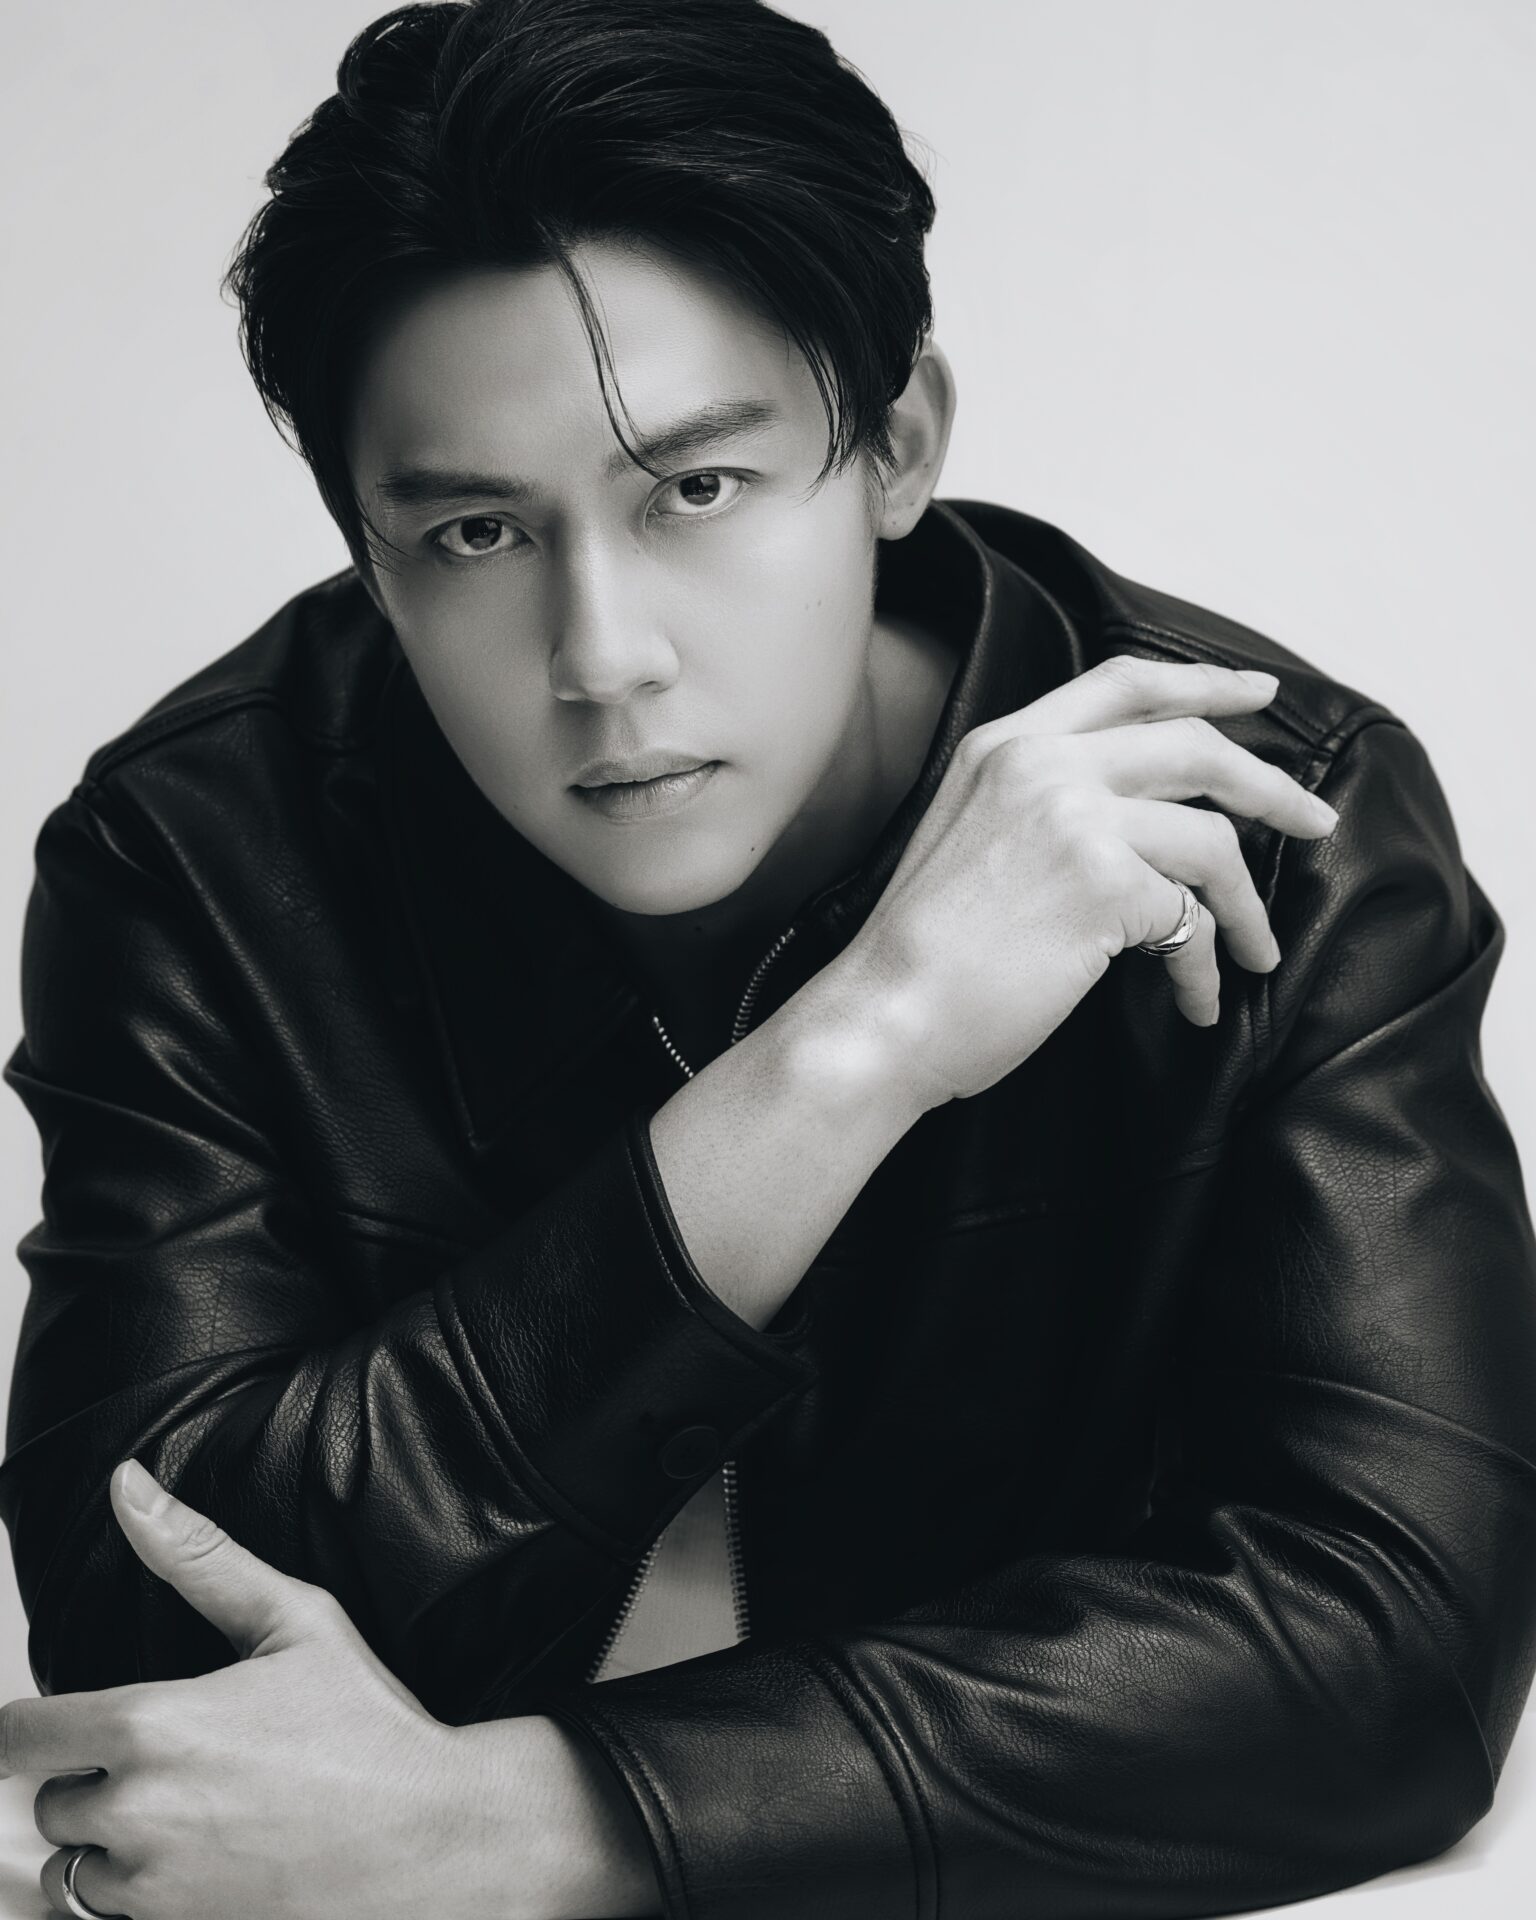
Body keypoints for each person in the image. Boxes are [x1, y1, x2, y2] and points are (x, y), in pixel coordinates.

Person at [2, 0, 1534, 1915]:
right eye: (474, 533)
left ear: (894, 446)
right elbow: (146, 1667)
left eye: (697, 489)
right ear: (366, 554)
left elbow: (1399, 1641)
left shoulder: (1258, 812)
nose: (603, 655)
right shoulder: (201, 860)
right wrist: (851, 1055)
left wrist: (534, 1821)